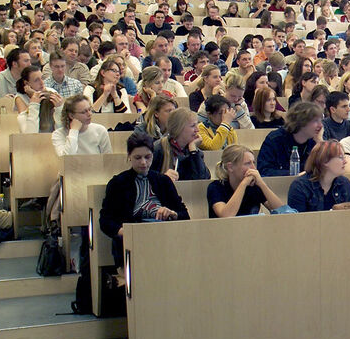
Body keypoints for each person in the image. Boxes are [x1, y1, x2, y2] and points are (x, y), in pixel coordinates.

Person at [100, 132, 189, 269]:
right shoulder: (118, 183)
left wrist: (172, 213)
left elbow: (185, 215)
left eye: (148, 157)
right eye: (138, 157)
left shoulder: (163, 181)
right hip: (132, 241)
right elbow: (105, 221)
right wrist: (125, 232)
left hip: (164, 237)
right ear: (129, 156)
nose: (143, 162)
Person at [208, 144, 286, 217]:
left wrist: (262, 184)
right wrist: (243, 184)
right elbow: (226, 215)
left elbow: (283, 212)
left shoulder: (254, 186)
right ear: (230, 167)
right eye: (248, 163)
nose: (254, 168)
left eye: (253, 163)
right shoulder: (216, 187)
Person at [257, 101, 323, 176]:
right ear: (302, 122)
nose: (320, 125)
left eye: (320, 121)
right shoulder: (275, 140)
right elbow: (264, 171)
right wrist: (294, 175)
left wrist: (319, 142)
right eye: (315, 121)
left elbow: (326, 171)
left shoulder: (314, 142)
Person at [287, 140, 350, 212]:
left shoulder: (345, 184)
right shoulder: (300, 186)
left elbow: (348, 216)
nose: (345, 161)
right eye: (341, 157)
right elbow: (297, 220)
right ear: (325, 161)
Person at [151, 108, 210, 181]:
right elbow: (147, 178)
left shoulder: (195, 151)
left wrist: (193, 151)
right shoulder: (158, 148)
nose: (197, 130)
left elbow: (203, 179)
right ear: (179, 128)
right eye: (192, 126)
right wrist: (163, 178)